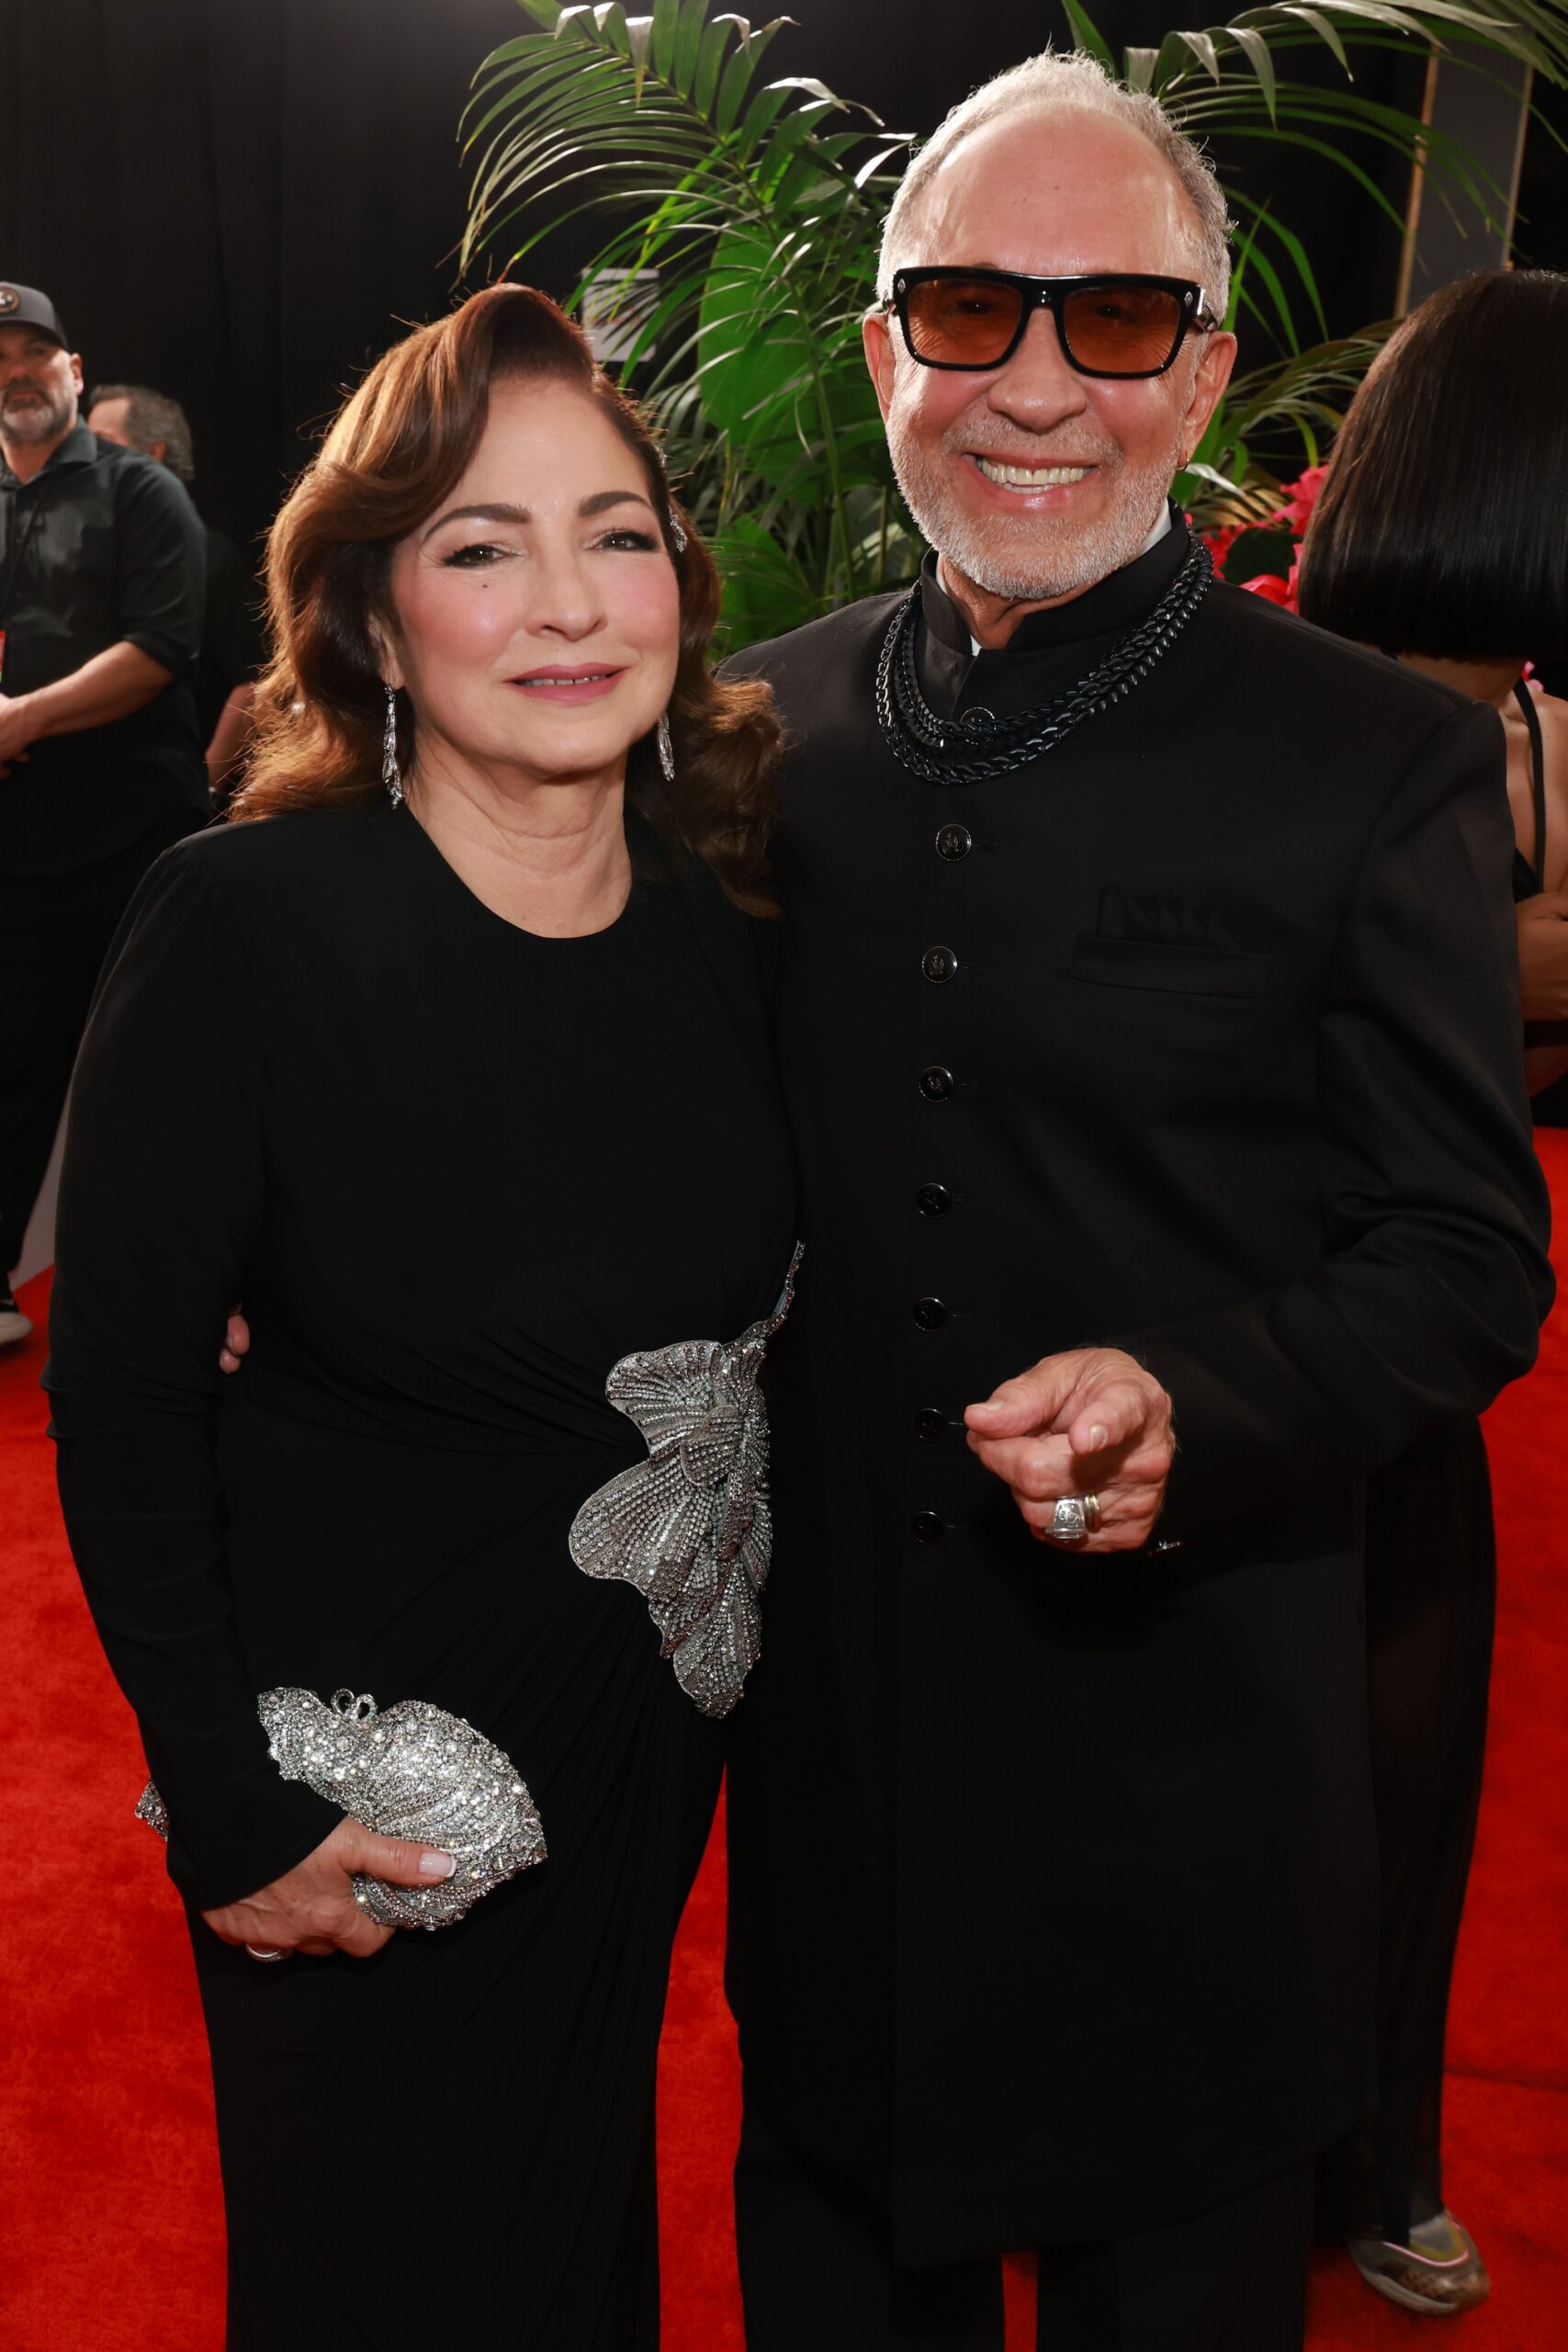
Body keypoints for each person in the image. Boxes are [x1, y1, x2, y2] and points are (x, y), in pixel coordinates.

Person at [716, 51, 1552, 2352]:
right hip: (836, 1796)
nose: (1029, 391)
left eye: (1110, 322)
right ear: (883, 346)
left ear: (1194, 368)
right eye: (967, 311)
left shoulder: (1368, 758)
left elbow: (1464, 1259)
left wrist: (1204, 1395)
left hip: (1183, 1791)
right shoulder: (752, 730)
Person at [47, 283, 795, 2351]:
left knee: (573, 2256)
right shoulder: (244, 923)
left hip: (645, 1756)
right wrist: (227, 1804)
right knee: (385, 2272)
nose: (569, 601)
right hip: (377, 1802)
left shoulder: (728, 929)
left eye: (617, 531)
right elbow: (116, 1395)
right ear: (373, 619)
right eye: (482, 543)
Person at [1295, 265, 1568, 2318]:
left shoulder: (1533, 733)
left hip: (1411, 1346)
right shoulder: (1267, 702)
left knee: (1402, 1786)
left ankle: (1375, 2143)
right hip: (1222, 1334)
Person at [0, 282, 207, 1349]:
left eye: (37, 352)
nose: (16, 371)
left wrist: (20, 717)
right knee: (15, 1062)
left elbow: (165, 645)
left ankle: (172, 1300)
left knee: (157, 1070)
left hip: (134, 838)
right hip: (19, 847)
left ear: (75, 372)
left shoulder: (140, 493)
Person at [86, 382, 267, 803]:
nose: (85, 460)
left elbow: (254, 683)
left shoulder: (214, 559)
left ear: (153, 454)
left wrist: (202, 786)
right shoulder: (100, 558)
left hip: (171, 806)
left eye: (103, 445)